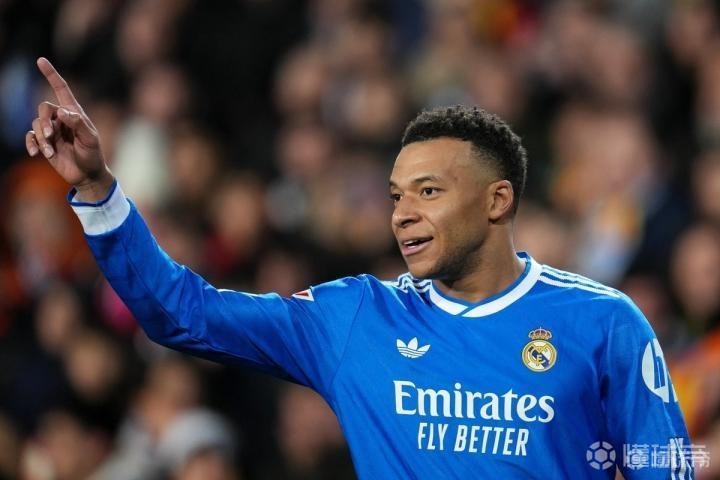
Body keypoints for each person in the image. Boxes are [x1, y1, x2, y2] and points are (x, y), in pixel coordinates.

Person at [26, 57, 693, 479]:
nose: (403, 214)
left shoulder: (604, 324)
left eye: (428, 192)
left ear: (498, 201)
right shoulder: (354, 318)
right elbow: (183, 314)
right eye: (397, 196)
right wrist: (98, 191)